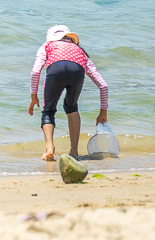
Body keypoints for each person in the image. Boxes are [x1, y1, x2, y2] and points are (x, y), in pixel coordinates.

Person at [28, 25, 109, 162]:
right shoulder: (80, 51)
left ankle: (49, 149)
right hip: (77, 72)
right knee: (72, 107)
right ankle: (74, 151)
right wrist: (103, 113)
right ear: (70, 38)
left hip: (55, 70)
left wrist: (33, 95)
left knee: (48, 110)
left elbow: (36, 72)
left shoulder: (47, 46)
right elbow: (103, 85)